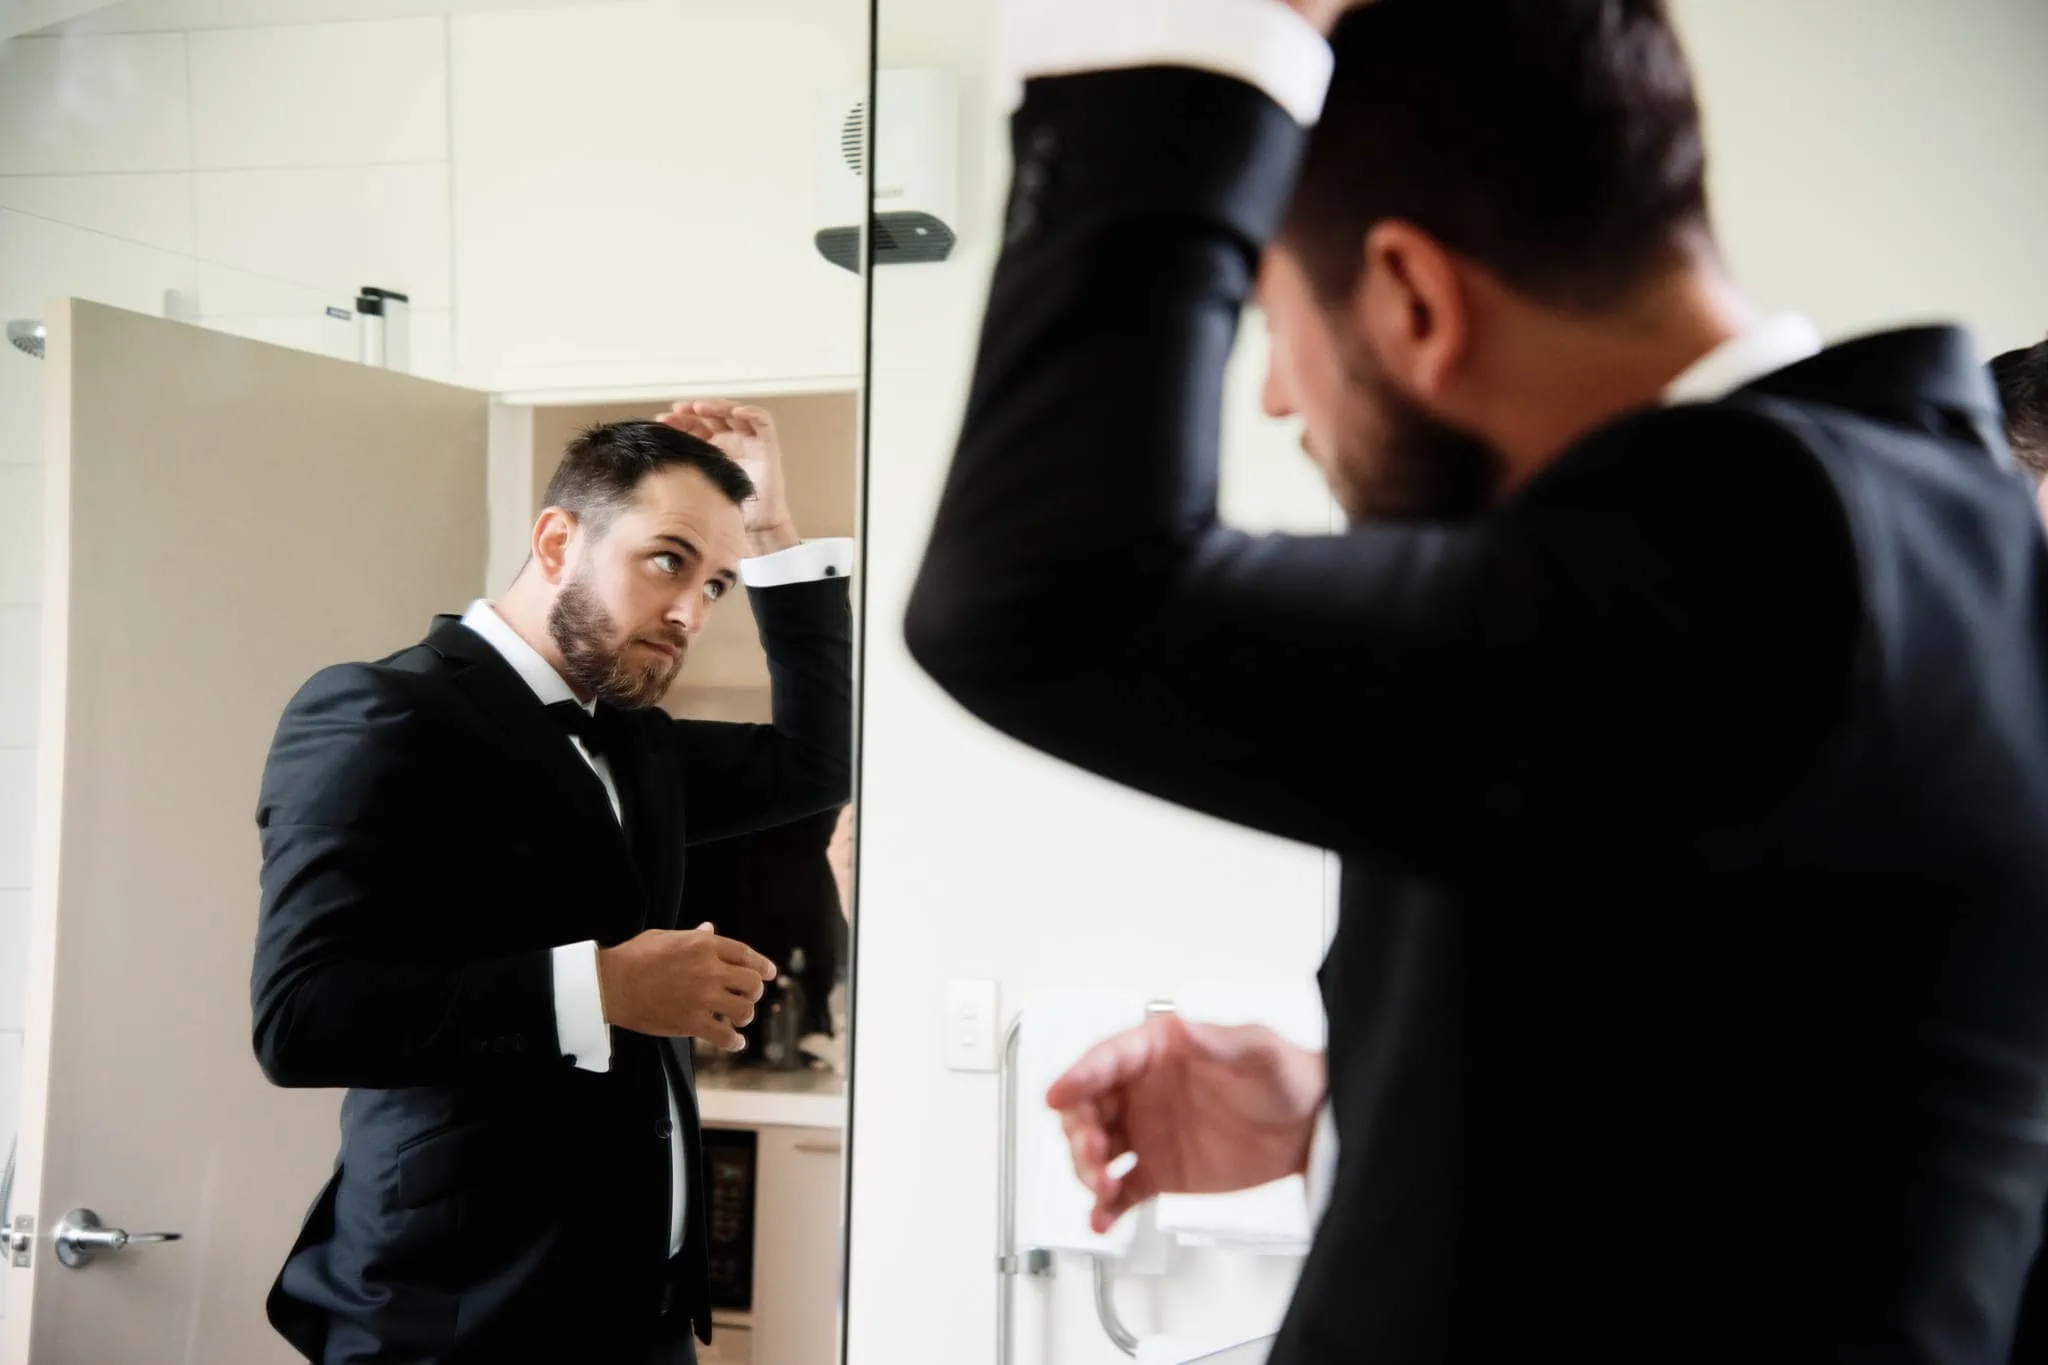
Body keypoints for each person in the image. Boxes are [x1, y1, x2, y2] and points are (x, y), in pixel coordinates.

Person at [903, 2, 2048, 1362]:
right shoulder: (1824, 558)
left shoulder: (1778, 564)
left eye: (1274, 320)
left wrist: (1198, 34)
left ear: (1414, 302)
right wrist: (1347, 1104)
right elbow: (1758, 1090)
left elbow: (1043, 597)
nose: (1276, 398)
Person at [252, 404, 852, 1364]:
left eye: (719, 585)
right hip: (457, 1323)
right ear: (556, 538)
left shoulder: (636, 739)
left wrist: (776, 529)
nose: (692, 612)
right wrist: (605, 986)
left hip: (640, 1317)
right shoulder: (379, 714)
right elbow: (303, 1017)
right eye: (668, 560)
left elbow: (823, 761)